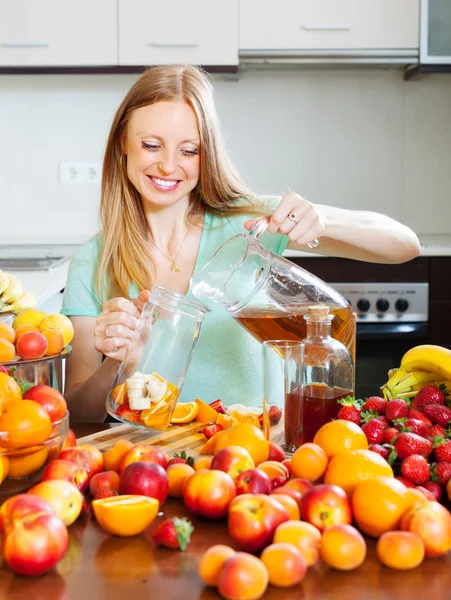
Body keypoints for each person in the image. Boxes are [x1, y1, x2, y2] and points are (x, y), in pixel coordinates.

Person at [61, 65, 421, 422]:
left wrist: (323, 220)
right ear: (123, 142)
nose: (169, 166)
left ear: (208, 155)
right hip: (156, 466)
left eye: (189, 151)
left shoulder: (250, 224)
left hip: (259, 459)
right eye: (152, 145)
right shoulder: (92, 262)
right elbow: (78, 412)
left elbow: (404, 244)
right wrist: (122, 363)